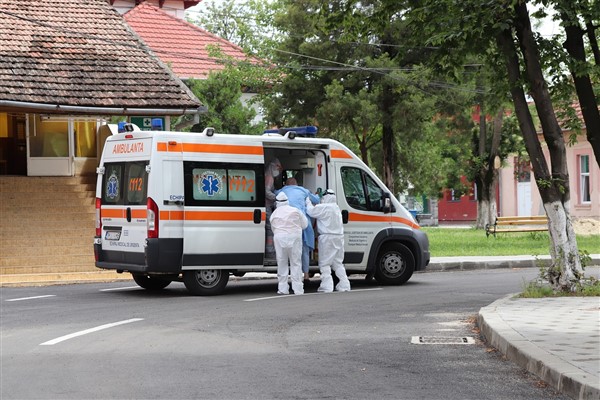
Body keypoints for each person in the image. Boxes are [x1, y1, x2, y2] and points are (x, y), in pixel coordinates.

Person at [305, 189, 351, 293]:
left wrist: (307, 199)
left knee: (324, 264)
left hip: (327, 238)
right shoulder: (336, 207)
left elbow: (310, 211)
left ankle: (327, 286)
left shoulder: (324, 207)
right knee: (338, 263)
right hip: (339, 237)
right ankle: (344, 284)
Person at [276, 177, 320, 283]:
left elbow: (272, 195)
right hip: (302, 223)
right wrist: (317, 194)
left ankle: (286, 279)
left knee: (286, 254)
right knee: (304, 250)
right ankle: (306, 276)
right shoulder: (303, 190)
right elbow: (317, 200)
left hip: (287, 225)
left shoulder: (281, 191)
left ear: (286, 184)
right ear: (296, 184)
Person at [270, 191, 308, 295]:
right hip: (294, 238)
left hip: (279, 238)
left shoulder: (274, 214)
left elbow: (273, 228)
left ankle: (283, 289)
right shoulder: (295, 210)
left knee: (282, 263)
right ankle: (298, 289)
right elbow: (305, 224)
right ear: (287, 201)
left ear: (277, 203)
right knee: (295, 263)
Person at [264, 158, 283, 258]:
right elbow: (266, 192)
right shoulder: (269, 178)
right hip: (266, 206)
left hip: (268, 206)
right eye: (277, 167)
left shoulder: (268, 176)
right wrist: (277, 198)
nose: (278, 170)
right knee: (270, 229)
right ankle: (270, 251)